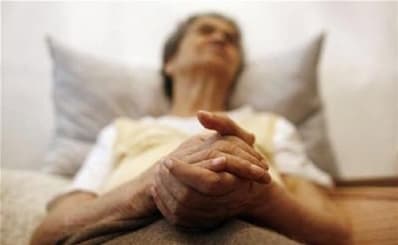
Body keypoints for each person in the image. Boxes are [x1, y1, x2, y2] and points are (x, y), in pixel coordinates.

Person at [31, 13, 351, 245]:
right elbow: (47, 234)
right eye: (206, 30)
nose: (221, 38)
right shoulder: (121, 130)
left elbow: (335, 233)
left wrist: (259, 197)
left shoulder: (274, 126)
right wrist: (151, 187)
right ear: (170, 62)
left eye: (232, 38)